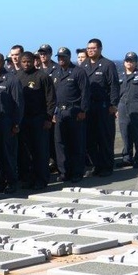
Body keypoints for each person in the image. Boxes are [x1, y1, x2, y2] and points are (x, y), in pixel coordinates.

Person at [16, 52, 55, 189]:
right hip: (23, 120)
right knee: (26, 153)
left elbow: (50, 98)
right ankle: (29, 178)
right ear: (20, 62)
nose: (26, 64)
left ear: (34, 61)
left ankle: (42, 179)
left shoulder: (42, 77)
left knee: (40, 151)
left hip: (39, 119)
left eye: (29, 61)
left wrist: (48, 118)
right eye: (24, 62)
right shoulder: (17, 77)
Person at [51, 47, 90, 182]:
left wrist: (83, 110)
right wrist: (53, 112)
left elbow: (85, 92)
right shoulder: (56, 73)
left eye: (63, 57)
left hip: (74, 111)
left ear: (69, 57)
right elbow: (53, 95)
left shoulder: (78, 72)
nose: (61, 59)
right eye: (59, 57)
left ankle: (77, 172)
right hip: (59, 112)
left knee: (76, 143)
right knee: (60, 143)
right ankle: (64, 172)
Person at [83, 38, 120, 176]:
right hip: (89, 106)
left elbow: (114, 85)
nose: (90, 51)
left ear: (100, 49)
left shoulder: (107, 64)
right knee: (90, 139)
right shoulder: (84, 65)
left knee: (104, 138)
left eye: (93, 48)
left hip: (103, 106)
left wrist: (113, 105)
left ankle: (107, 167)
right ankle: (96, 165)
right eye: (88, 48)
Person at [0, 53, 24, 193]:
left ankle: (12, 182)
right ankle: (1, 180)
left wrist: (16, 124)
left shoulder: (11, 80)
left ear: (3, 62)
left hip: (7, 122)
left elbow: (18, 103)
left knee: (8, 153)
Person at [118, 52, 138, 169]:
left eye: (131, 60)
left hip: (136, 107)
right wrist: (116, 108)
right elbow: (117, 93)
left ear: (136, 62)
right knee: (125, 134)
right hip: (122, 107)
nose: (129, 62)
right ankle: (127, 158)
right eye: (127, 60)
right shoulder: (120, 76)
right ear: (124, 62)